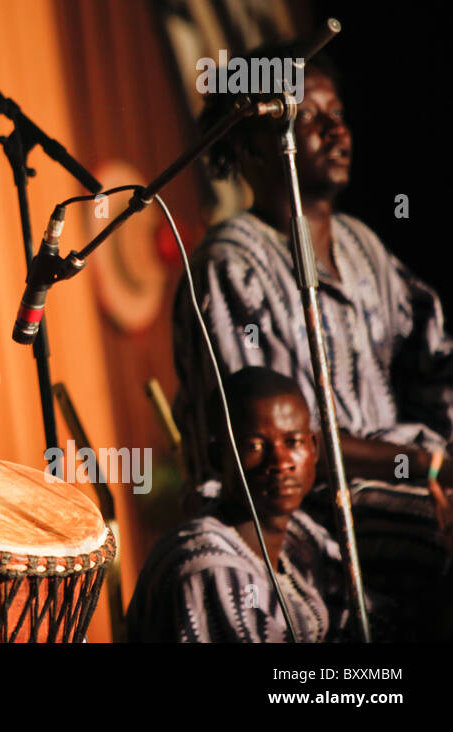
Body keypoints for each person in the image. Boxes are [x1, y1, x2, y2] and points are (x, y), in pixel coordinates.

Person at [171, 50, 453, 614]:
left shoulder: (361, 245)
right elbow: (268, 452)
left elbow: (436, 358)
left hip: (401, 481)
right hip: (303, 511)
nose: (335, 128)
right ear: (252, 144)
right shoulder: (231, 265)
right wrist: (424, 466)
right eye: (309, 115)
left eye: (337, 112)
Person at [128, 368, 349, 642]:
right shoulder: (210, 570)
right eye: (255, 446)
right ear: (218, 457)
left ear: (314, 448)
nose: (280, 463)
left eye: (293, 442)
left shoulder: (302, 538)